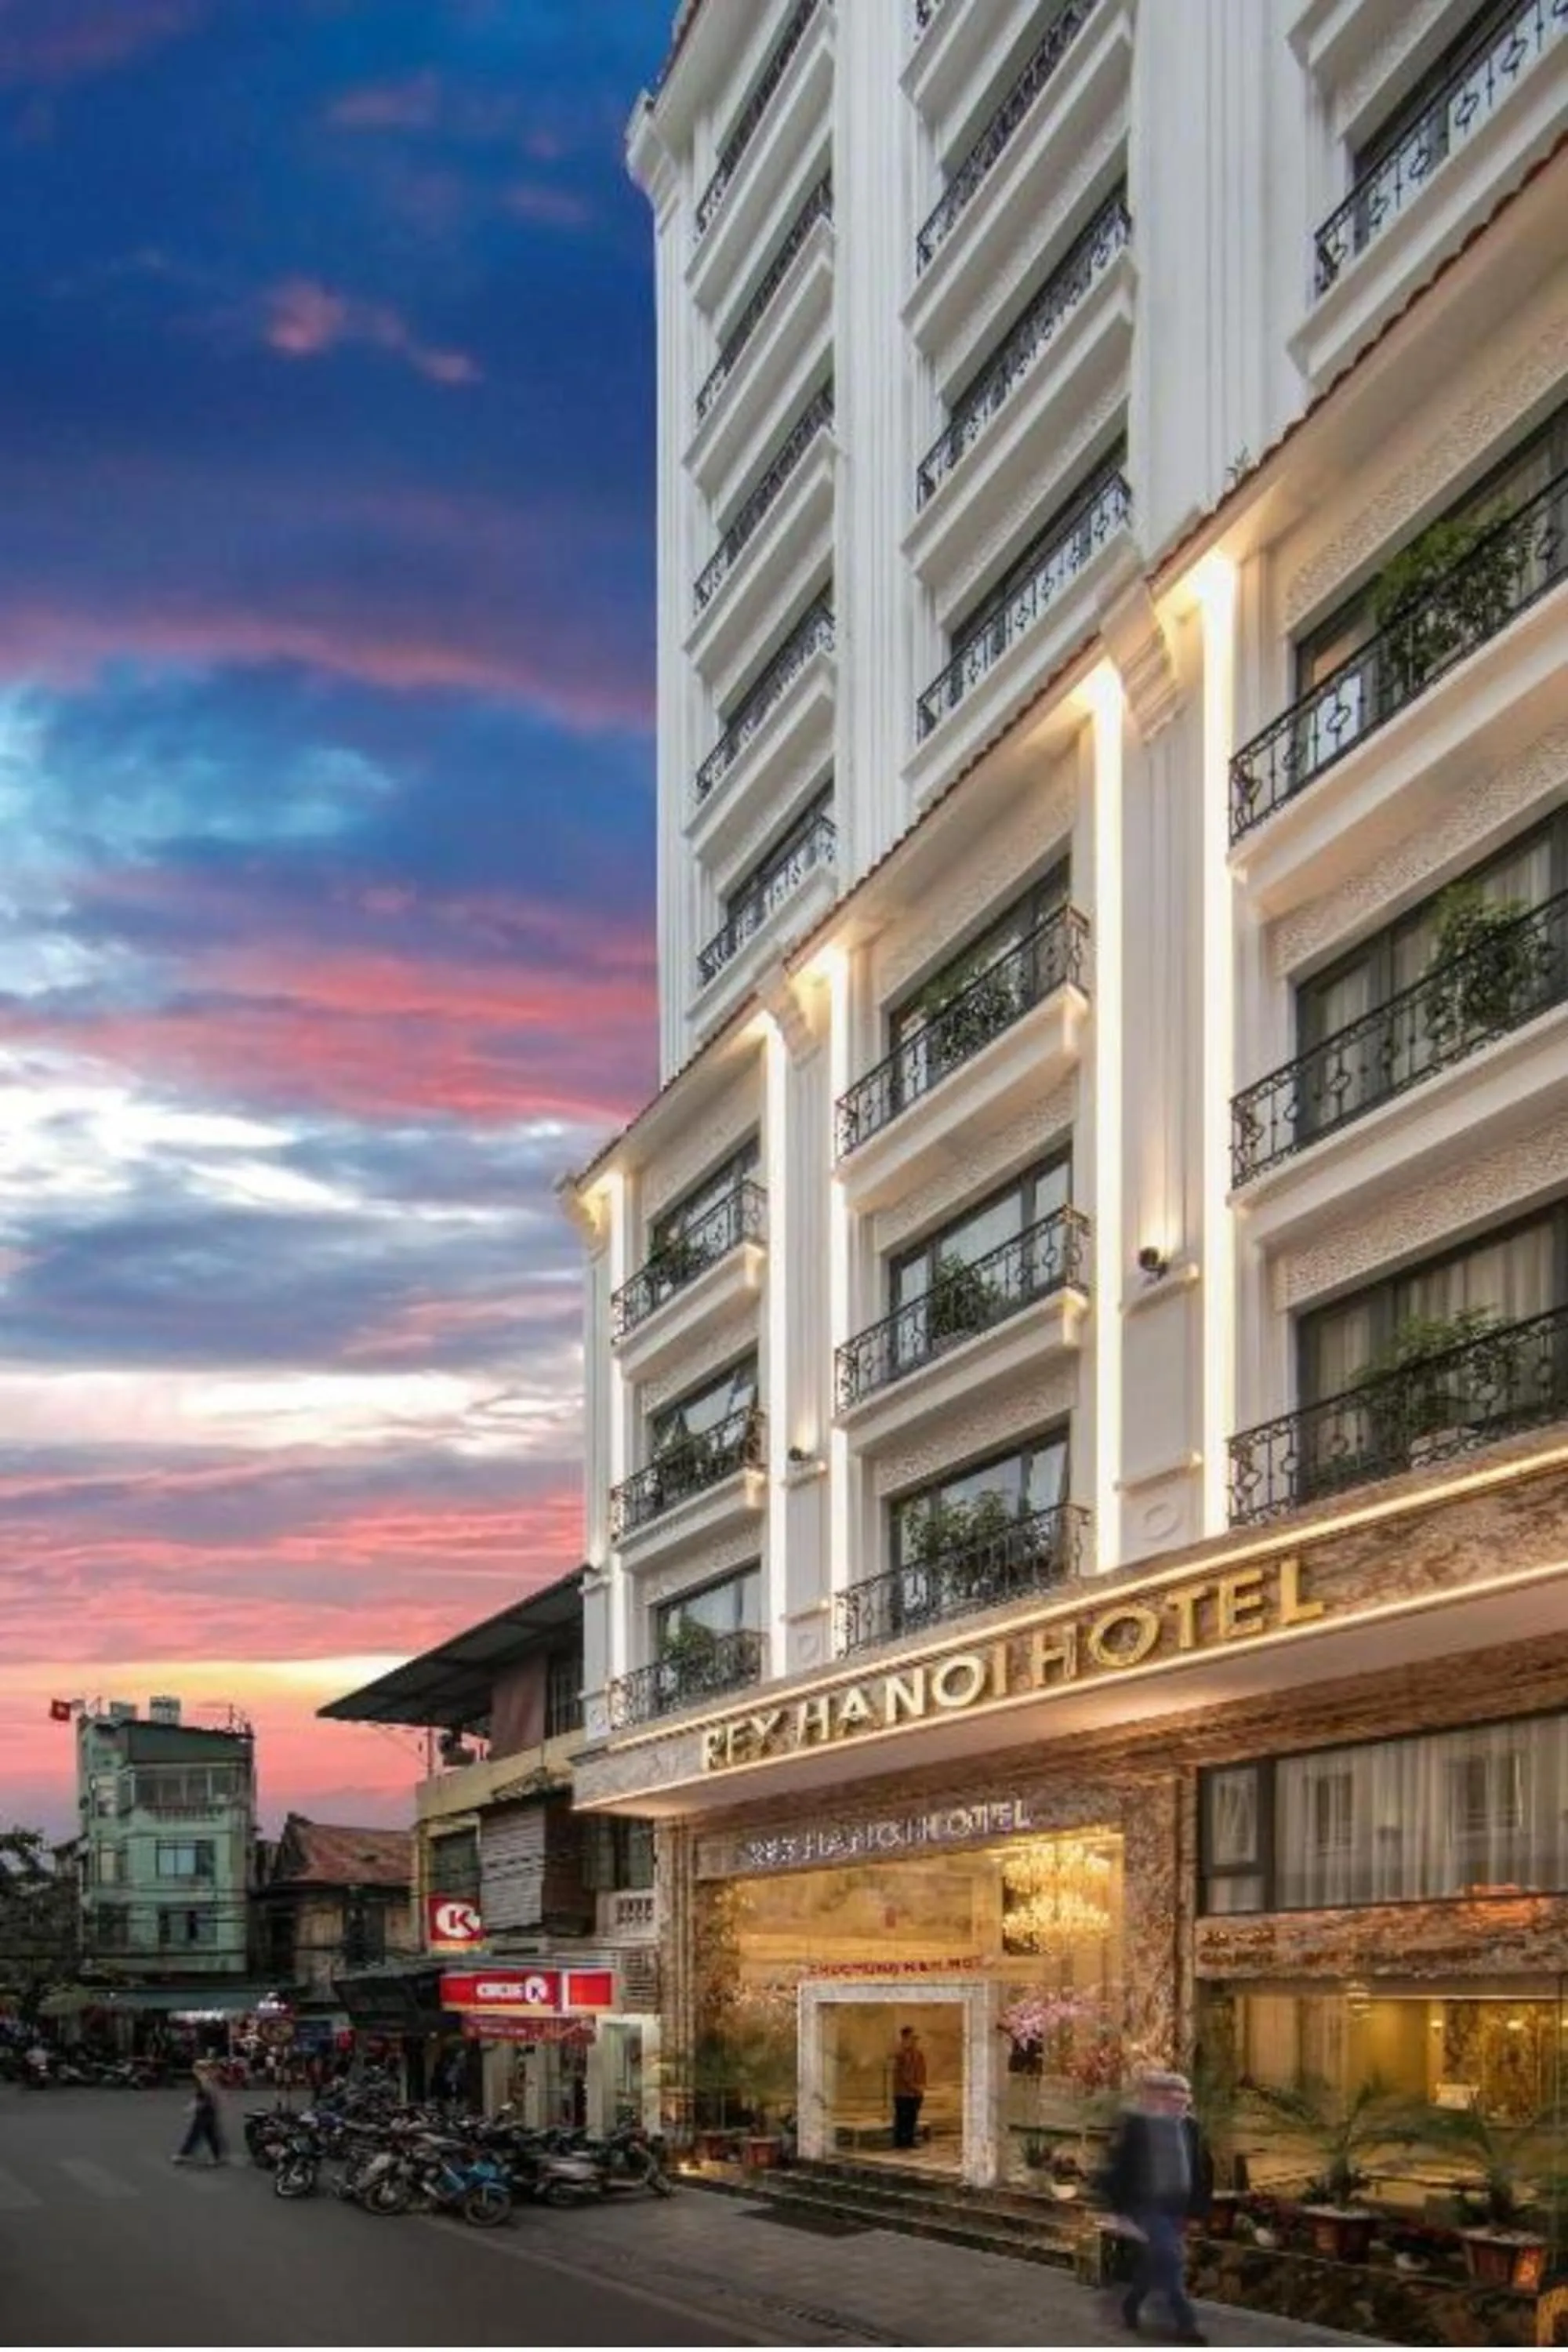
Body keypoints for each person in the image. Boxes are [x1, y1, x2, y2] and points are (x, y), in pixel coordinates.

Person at [1099, 2070, 1210, 2345]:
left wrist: (1197, 2211)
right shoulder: (1137, 2125)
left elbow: (1201, 2169)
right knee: (1171, 2260)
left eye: (1186, 2099)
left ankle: (1131, 2304)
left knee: (1156, 2262)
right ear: (1159, 2098)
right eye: (1176, 2099)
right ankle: (1186, 2324)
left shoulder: (1190, 2127)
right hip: (1148, 2206)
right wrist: (1117, 2213)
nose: (1183, 2104)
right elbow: (1117, 2170)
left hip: (1177, 2208)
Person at [172, 2063, 227, 2166]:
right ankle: (217, 2156)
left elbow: (206, 2097)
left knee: (196, 2133)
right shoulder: (207, 2081)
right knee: (210, 2134)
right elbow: (202, 2096)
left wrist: (193, 2106)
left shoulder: (208, 2081)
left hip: (206, 2110)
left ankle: (184, 2154)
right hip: (207, 2110)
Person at [891, 2025, 927, 2151]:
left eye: (915, 2039)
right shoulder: (900, 2054)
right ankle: (900, 2142)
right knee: (902, 2117)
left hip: (916, 2092)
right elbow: (903, 2074)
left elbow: (922, 2071)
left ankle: (910, 2140)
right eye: (912, 2038)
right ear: (905, 2038)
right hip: (903, 2092)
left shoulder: (919, 2054)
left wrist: (921, 2086)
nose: (914, 2041)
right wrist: (913, 2086)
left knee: (912, 2117)